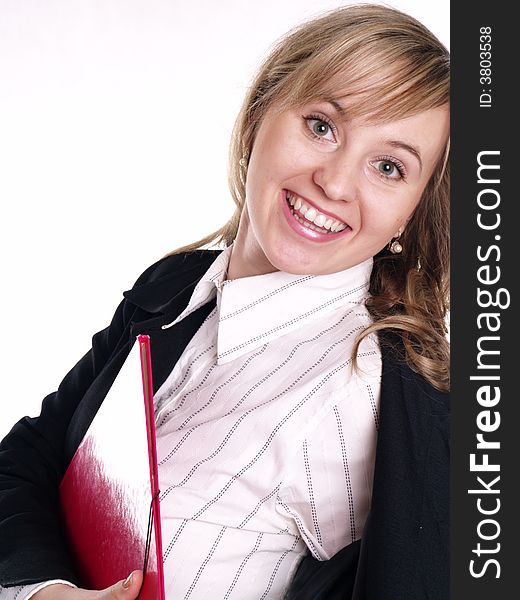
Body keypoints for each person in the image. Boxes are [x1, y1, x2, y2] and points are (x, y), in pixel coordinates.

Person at [0, 3, 450, 599]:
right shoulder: (172, 287)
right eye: (322, 126)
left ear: (410, 212)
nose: (336, 183)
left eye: (389, 166)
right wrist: (45, 592)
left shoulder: (375, 398)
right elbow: (29, 459)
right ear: (262, 111)